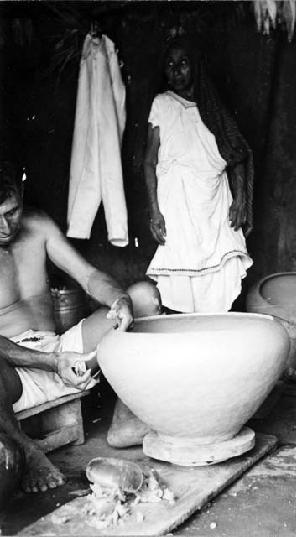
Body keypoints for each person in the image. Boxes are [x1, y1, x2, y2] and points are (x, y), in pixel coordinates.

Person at [0, 160, 157, 493]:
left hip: (62, 352)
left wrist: (119, 299)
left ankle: (126, 418)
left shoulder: (38, 226)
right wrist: (51, 362)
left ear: (21, 197)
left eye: (11, 212)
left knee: (143, 296)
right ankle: (28, 451)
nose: (5, 226)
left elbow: (88, 276)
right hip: (14, 373)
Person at [144, 35, 253, 313]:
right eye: (170, 65)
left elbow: (236, 153)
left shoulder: (212, 106)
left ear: (195, 67)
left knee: (219, 275)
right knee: (181, 275)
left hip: (213, 201)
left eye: (183, 63)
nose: (177, 70)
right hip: (176, 201)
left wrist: (240, 200)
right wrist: (155, 212)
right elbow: (149, 161)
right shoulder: (162, 104)